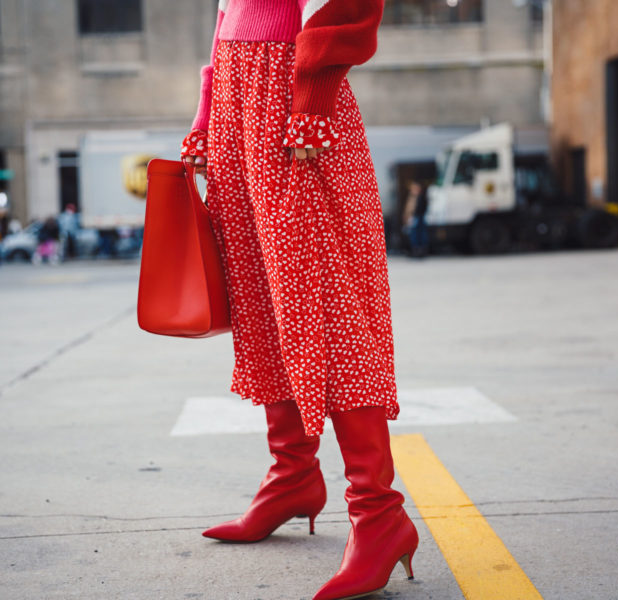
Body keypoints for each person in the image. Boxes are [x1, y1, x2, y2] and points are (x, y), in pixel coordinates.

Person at [180, 2, 417, 599]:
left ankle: (378, 514)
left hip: (293, 92)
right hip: (238, 96)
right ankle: (292, 476)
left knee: (327, 302)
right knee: (260, 299)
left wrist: (312, 93)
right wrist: (209, 114)